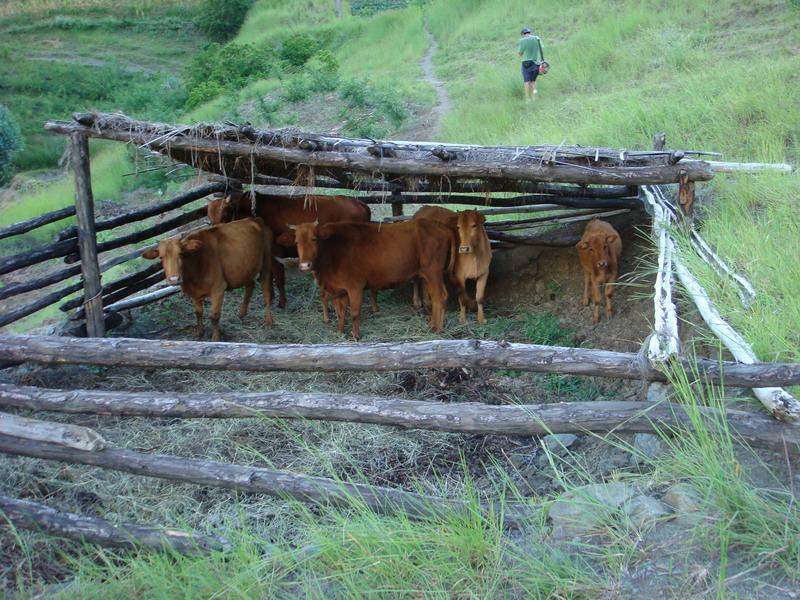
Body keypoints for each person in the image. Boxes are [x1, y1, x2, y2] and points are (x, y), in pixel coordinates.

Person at [517, 26, 544, 102]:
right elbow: (541, 49)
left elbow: (519, 54)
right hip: (536, 63)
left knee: (526, 82)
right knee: (533, 81)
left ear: (523, 34)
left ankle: (527, 99)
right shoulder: (537, 38)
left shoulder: (522, 40)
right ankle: (534, 98)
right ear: (530, 33)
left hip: (526, 63)